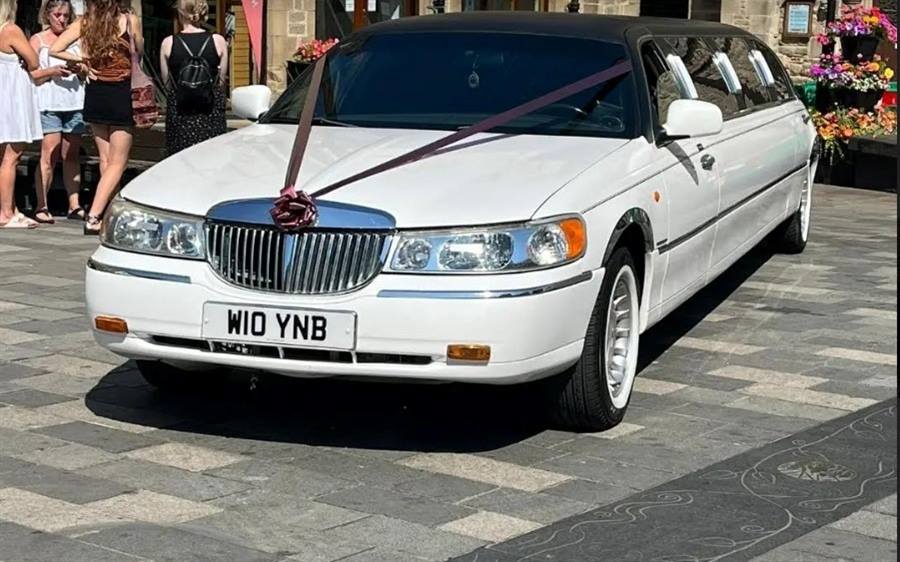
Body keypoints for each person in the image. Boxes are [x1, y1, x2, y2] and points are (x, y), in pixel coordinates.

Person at [50, 0, 142, 235]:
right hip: (121, 92)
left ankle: (110, 215)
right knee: (118, 162)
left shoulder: (85, 23)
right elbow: (138, 51)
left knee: (106, 160)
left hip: (96, 92)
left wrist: (83, 61)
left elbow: (54, 49)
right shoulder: (129, 20)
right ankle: (95, 215)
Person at [30, 0, 86, 224]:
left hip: (74, 102)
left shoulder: (75, 39)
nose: (61, 20)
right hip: (49, 103)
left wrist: (80, 69)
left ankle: (74, 204)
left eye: (65, 15)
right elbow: (30, 74)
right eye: (57, 15)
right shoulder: (38, 40)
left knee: (71, 153)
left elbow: (87, 69)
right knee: (49, 152)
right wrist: (51, 70)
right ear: (47, 15)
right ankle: (41, 205)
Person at [159, 0, 227, 156]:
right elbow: (221, 82)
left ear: (180, 14)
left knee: (180, 161)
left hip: (180, 111)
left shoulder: (168, 43)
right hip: (210, 111)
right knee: (212, 159)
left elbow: (167, 84)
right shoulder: (218, 41)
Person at [0, 0, 42, 229]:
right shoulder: (10, 30)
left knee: (3, 157)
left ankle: (10, 207)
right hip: (13, 102)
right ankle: (6, 213)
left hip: (3, 98)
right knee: (11, 157)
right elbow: (33, 61)